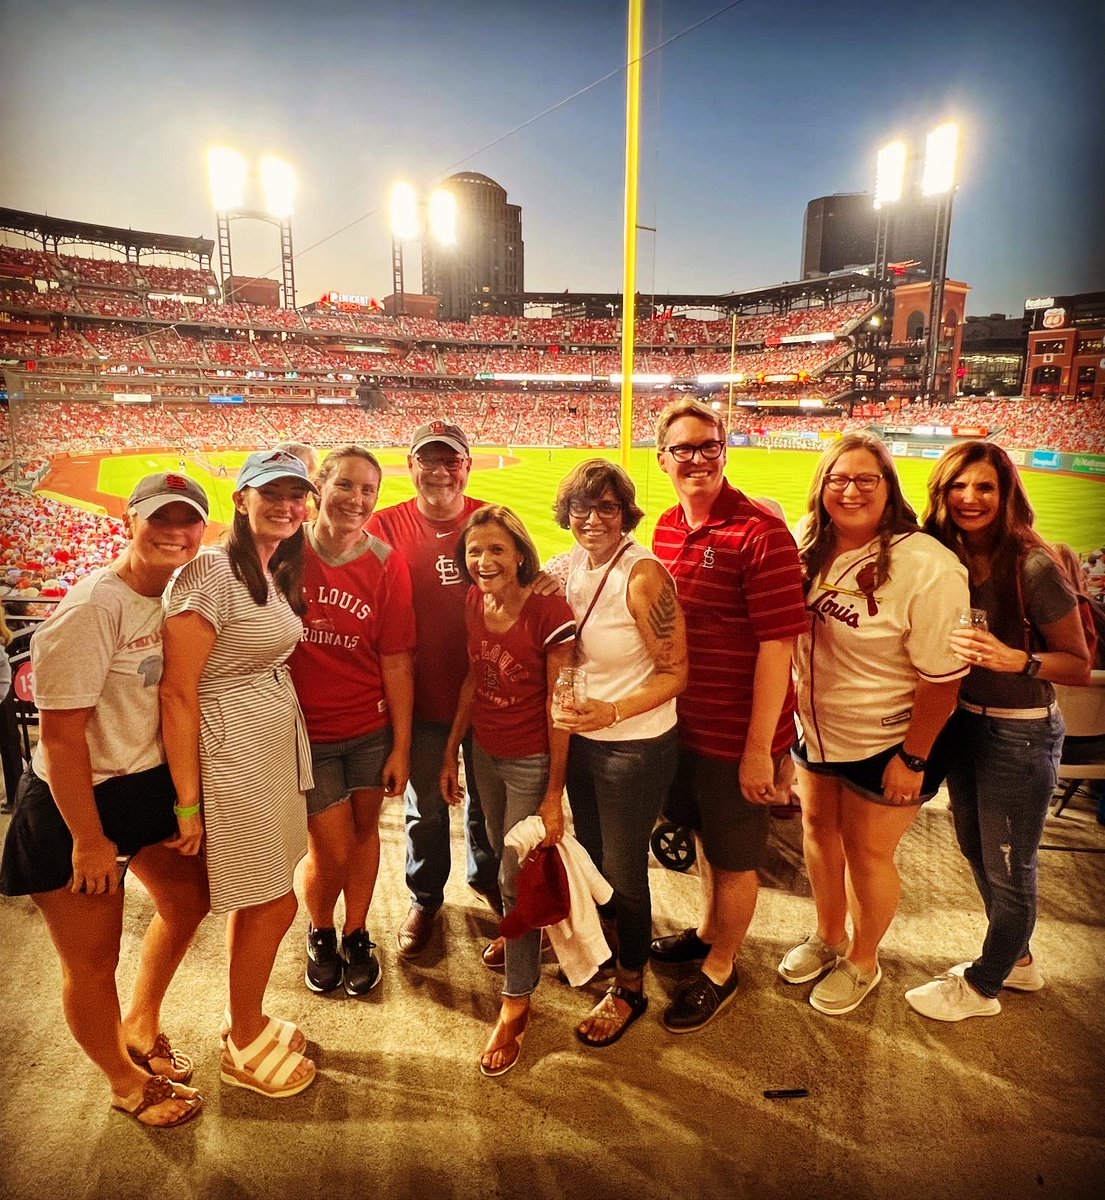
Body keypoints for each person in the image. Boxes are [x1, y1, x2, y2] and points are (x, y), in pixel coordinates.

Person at [0, 472, 210, 1127]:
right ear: (129, 521)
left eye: (187, 520)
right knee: (92, 961)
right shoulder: (94, 605)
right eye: (159, 519)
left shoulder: (179, 595)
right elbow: (61, 739)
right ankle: (124, 1081)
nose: (174, 533)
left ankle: (140, 1026)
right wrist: (90, 840)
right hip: (76, 803)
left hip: (143, 785)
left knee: (189, 898)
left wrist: (181, 801)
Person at [779, 435, 969, 1015]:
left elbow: (944, 677)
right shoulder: (809, 547)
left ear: (889, 488)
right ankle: (828, 935)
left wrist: (912, 759)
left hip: (892, 738)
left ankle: (864, 959)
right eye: (838, 478)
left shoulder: (927, 565)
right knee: (818, 832)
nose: (851, 489)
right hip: (818, 726)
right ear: (821, 488)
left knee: (867, 851)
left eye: (867, 479)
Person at [905, 441, 1090, 1021]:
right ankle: (1021, 959)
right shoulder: (944, 554)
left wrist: (1018, 660)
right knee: (978, 853)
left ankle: (985, 985)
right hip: (964, 726)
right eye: (958, 486)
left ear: (1006, 493)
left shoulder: (1031, 565)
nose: (970, 498)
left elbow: (1079, 664)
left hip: (1021, 733)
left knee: (1012, 865)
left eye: (984, 487)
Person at [161, 448, 319, 1097]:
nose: (285, 506)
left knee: (263, 888)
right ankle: (244, 1042)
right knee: (274, 899)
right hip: (230, 755)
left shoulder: (262, 565)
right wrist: (188, 804)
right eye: (271, 493)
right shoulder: (209, 572)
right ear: (241, 498)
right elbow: (177, 692)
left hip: (263, 747)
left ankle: (242, 1016)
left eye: (295, 495)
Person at [650, 399, 808, 1033]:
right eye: (682, 449)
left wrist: (758, 749)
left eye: (708, 446)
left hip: (739, 732)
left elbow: (778, 647)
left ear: (724, 452)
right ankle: (708, 929)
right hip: (683, 725)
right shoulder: (663, 526)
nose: (696, 459)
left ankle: (722, 966)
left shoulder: (760, 533)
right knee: (713, 844)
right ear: (663, 460)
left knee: (738, 855)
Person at [551, 459, 687, 1046]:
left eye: (607, 507)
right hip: (583, 740)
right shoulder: (572, 566)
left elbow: (676, 672)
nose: (593, 520)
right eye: (582, 508)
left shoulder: (643, 574)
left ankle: (631, 986)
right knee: (597, 856)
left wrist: (610, 711)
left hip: (632, 745)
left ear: (625, 512)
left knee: (625, 870)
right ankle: (608, 953)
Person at [439, 505, 576, 1076]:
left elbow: (561, 700)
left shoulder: (548, 608)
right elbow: (476, 675)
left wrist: (553, 794)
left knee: (513, 879)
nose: (485, 560)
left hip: (529, 761)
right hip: (485, 754)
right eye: (475, 551)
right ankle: (531, 942)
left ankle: (517, 1000)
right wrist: (452, 747)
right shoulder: (474, 601)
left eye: (497, 549)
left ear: (520, 552)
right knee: (499, 859)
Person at [365, 421, 501, 959]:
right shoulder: (386, 525)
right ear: (411, 464)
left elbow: (522, 580)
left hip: (487, 691)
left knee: (489, 804)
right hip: (418, 697)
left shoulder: (491, 520)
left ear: (467, 465)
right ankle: (425, 899)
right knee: (426, 808)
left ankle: (486, 878)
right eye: (430, 459)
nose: (441, 471)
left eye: (452, 460)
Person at [289, 445, 416, 996]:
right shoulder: (282, 555)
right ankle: (319, 930)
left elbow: (396, 660)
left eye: (368, 490)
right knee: (331, 848)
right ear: (321, 488)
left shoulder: (386, 563)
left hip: (369, 729)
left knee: (365, 836)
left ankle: (357, 931)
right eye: (346, 485)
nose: (357, 499)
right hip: (305, 735)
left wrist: (402, 746)